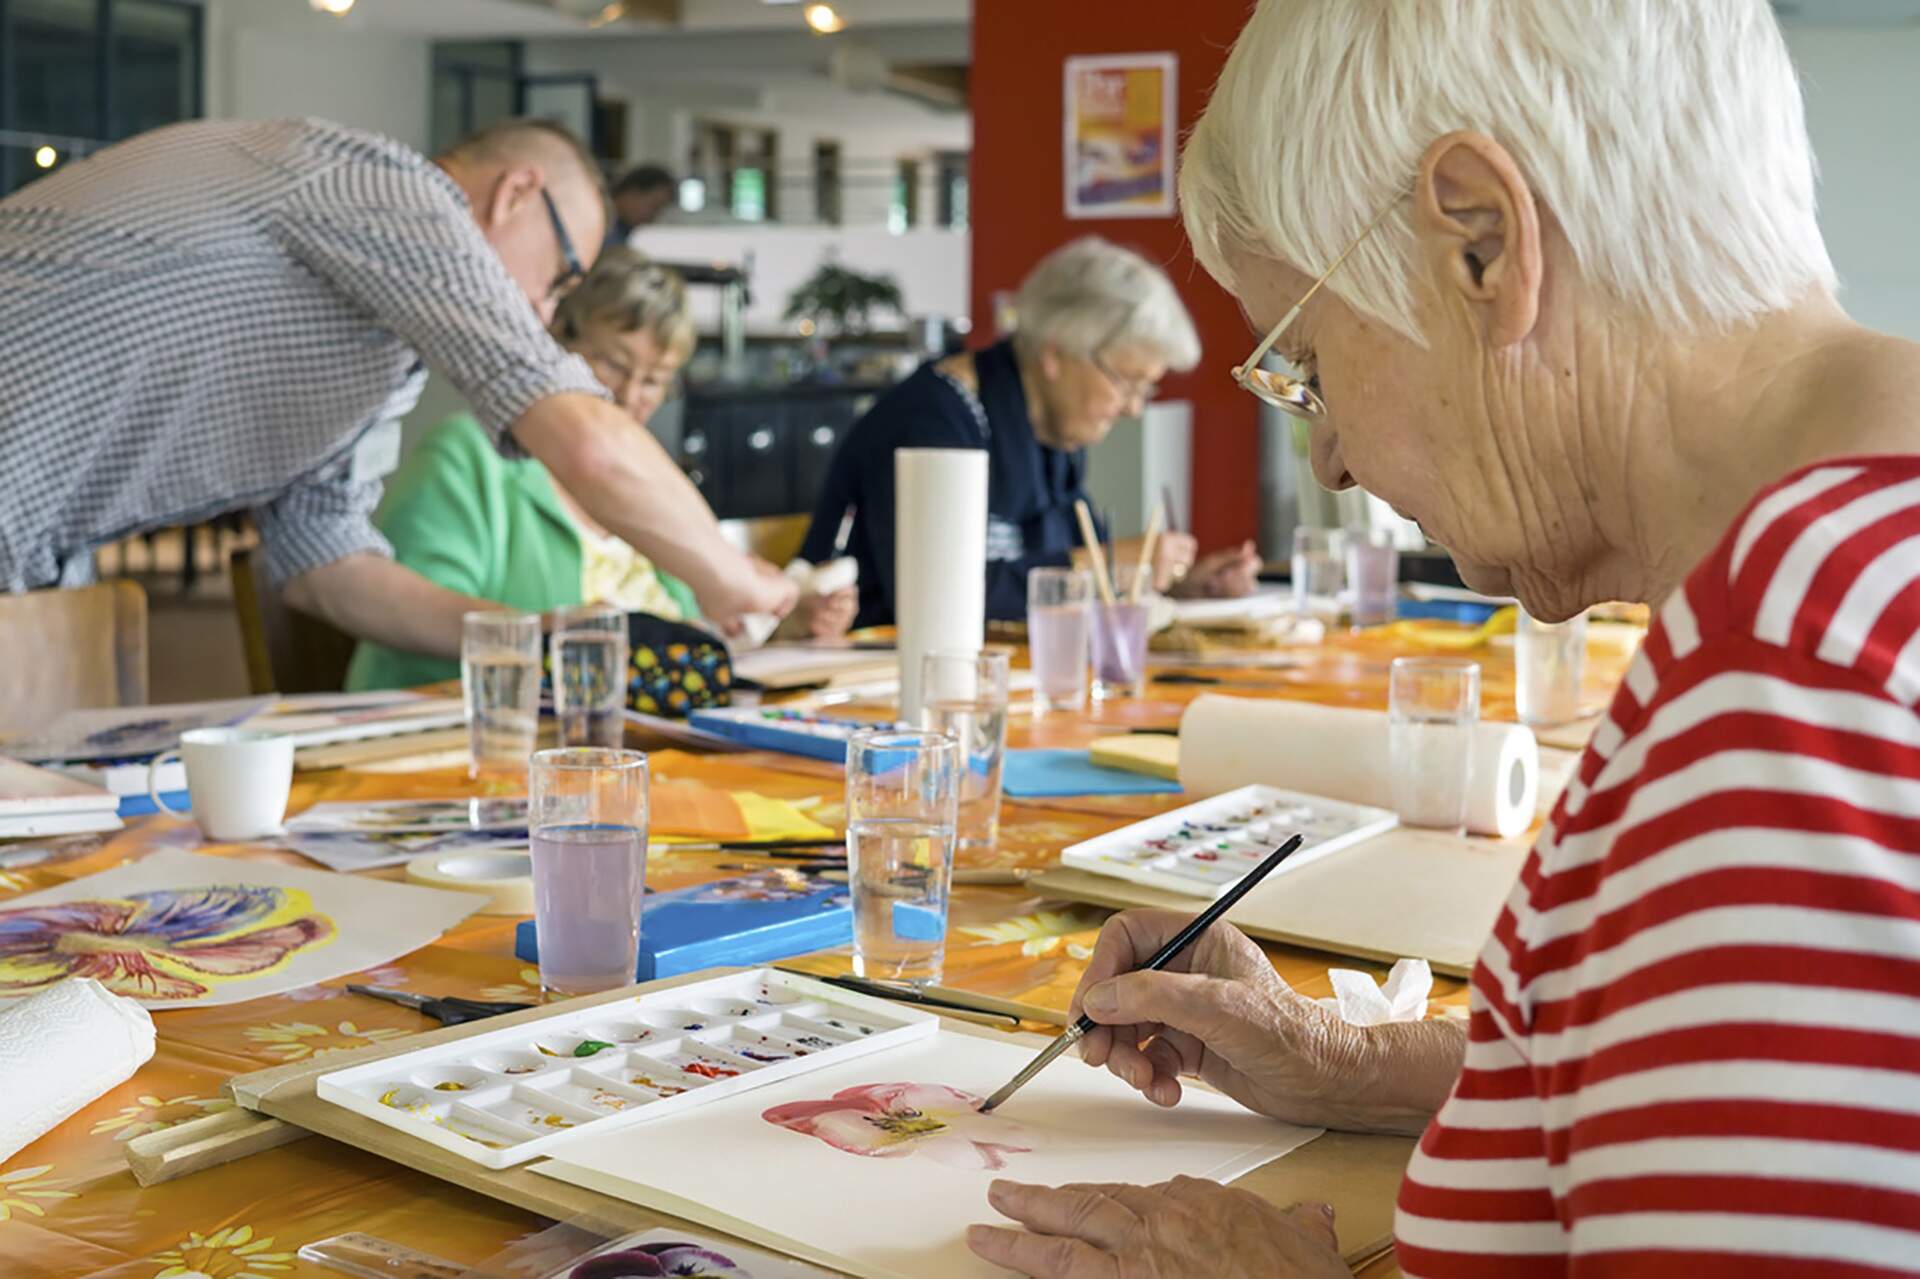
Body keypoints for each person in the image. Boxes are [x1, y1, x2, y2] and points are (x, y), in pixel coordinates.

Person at [965, 2, 1920, 1276]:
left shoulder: (1792, 708)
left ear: (1482, 241)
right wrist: (1349, 1062)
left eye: (1307, 362)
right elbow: (1691, 1062)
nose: (1333, 456)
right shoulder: (1846, 576)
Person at [0, 118, 795, 649]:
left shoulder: (378, 347)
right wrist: (728, 577)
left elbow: (328, 563)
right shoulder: (391, 189)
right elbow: (583, 439)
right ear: (516, 194)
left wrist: (538, 638)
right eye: (557, 279)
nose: (539, 311)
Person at [346, 248, 856, 690]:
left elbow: (688, 628)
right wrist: (560, 632)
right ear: (556, 343)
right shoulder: (468, 456)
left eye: (654, 380)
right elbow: (404, 629)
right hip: (470, 745)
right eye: (610, 363)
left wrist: (782, 628)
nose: (630, 397)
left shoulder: (645, 484)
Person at [798, 237, 1261, 629]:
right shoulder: (932, 421)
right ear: (1056, 355)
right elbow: (937, 598)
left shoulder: (1052, 431)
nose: (1135, 408)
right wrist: (1107, 566)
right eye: (1127, 382)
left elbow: (1071, 558)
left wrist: (1179, 581)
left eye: (1147, 387)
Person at [609, 164, 677, 242]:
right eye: (653, 206)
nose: (653, 216)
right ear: (632, 191)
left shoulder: (625, 232)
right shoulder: (601, 226)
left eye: (659, 210)